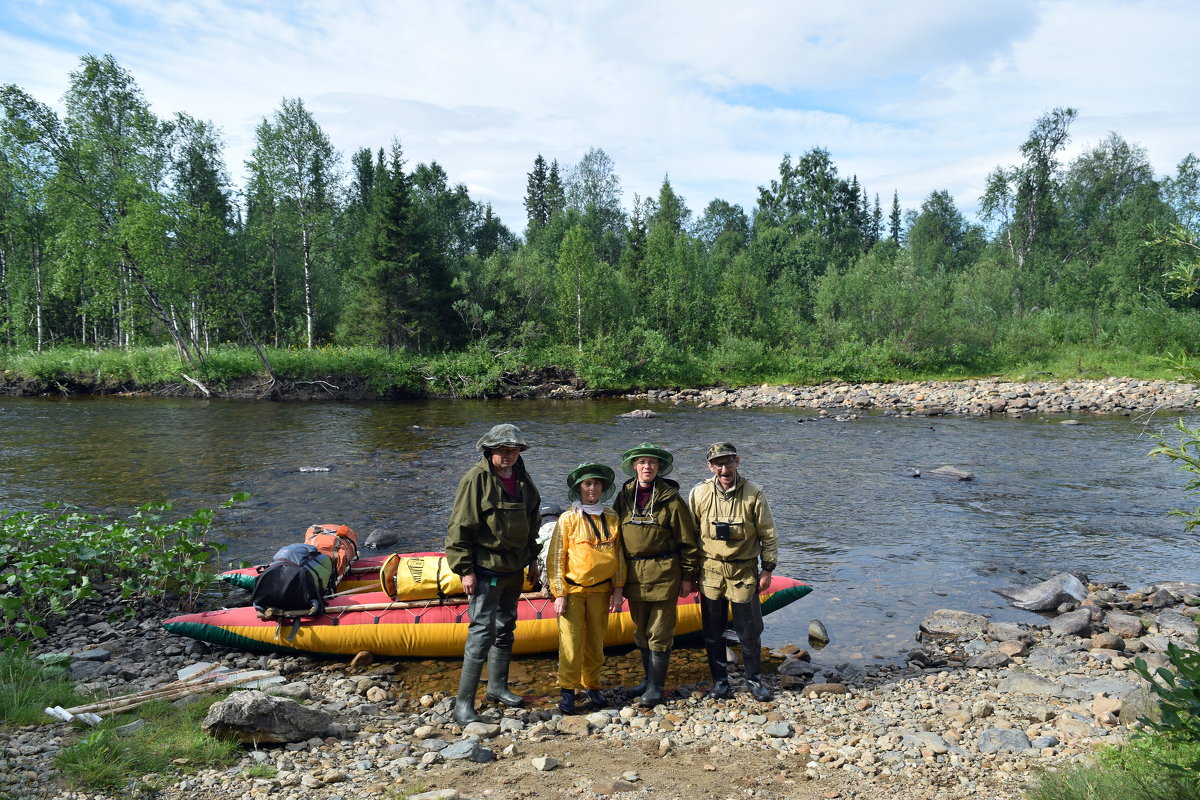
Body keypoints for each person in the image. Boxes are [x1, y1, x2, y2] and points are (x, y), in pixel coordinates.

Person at [445, 423, 542, 725]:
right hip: (486, 570)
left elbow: (533, 521)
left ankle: (497, 688)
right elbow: (460, 527)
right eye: (502, 450)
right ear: (489, 450)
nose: (508, 455)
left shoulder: (523, 480)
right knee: (480, 634)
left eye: (513, 450)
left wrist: (534, 559)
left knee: (506, 627)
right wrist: (465, 570)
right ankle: (463, 705)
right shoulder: (475, 480)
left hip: (514, 568)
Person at [687, 442, 778, 702]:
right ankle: (720, 683)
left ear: (737, 462)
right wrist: (689, 573)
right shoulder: (699, 493)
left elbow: (768, 534)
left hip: (744, 572)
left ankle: (754, 681)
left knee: (748, 630)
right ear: (710, 466)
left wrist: (768, 568)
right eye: (718, 464)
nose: (724, 468)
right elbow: (690, 536)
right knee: (713, 631)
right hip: (710, 572)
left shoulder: (754, 493)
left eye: (728, 462)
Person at [613, 442, 700, 707]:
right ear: (634, 466)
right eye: (642, 462)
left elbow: (688, 541)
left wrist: (687, 577)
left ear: (659, 467)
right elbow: (615, 536)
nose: (647, 467)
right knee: (641, 630)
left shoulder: (671, 499)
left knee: (660, 632)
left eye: (652, 463)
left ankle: (656, 688)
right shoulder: (624, 494)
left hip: (664, 574)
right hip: (633, 576)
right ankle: (646, 681)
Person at [545, 463, 626, 714]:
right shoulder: (567, 519)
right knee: (570, 641)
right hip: (573, 591)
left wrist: (618, 589)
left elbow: (619, 555)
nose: (592, 488)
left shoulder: (612, 518)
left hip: (602, 591)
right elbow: (556, 557)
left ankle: (592, 685)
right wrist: (559, 593)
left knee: (596, 640)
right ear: (579, 488)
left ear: (603, 488)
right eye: (587, 484)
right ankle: (568, 690)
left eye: (597, 484)